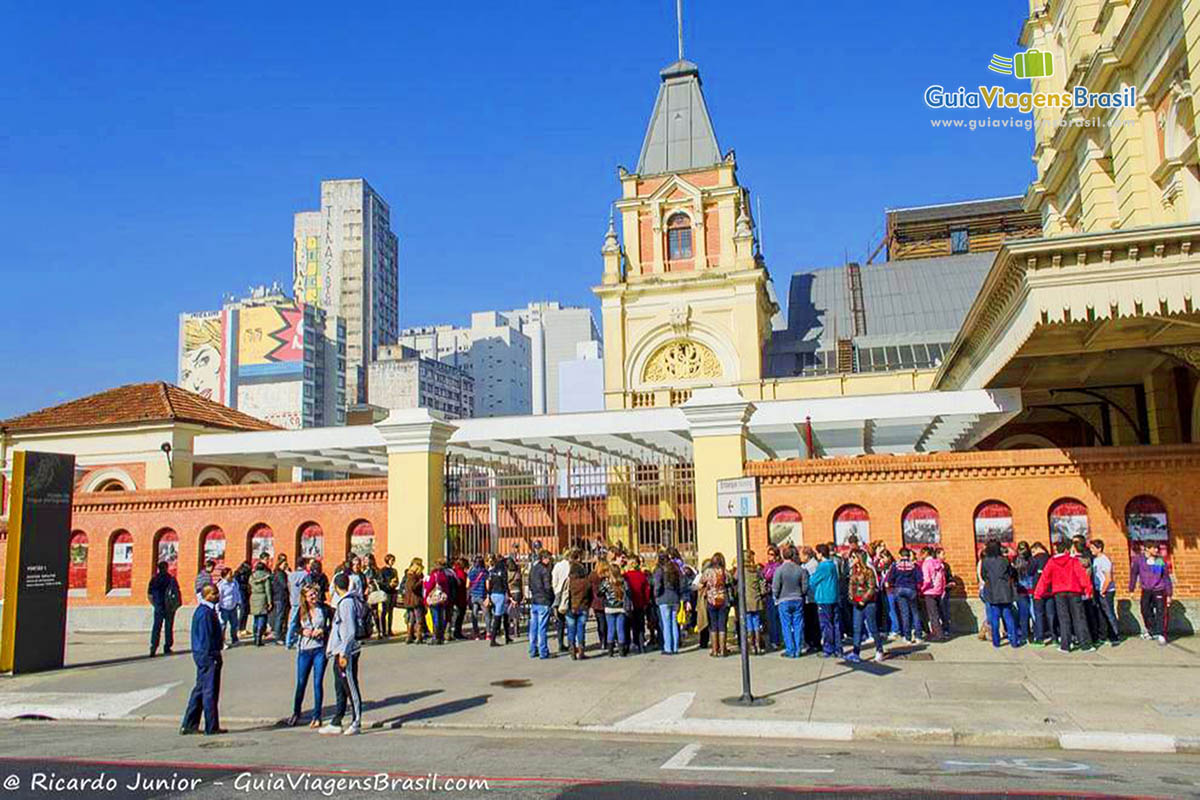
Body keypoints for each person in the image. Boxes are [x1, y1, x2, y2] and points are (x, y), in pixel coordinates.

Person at [320, 572, 364, 735]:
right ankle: (337, 720)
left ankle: (356, 721)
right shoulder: (351, 600)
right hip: (339, 650)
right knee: (339, 686)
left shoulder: (346, 603)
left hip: (346, 651)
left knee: (350, 685)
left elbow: (349, 631)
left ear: (336, 587)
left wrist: (344, 653)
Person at [1034, 539, 1094, 653]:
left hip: (1059, 593)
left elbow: (1044, 579)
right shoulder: (1073, 561)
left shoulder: (1051, 562)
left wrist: (1038, 593)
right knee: (1079, 618)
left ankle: (1065, 645)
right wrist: (1088, 589)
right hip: (1074, 591)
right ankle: (1085, 644)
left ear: (1057, 550)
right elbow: (1082, 576)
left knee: (1063, 618)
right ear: (1067, 550)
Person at [180, 584, 225, 736]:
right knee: (209, 691)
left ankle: (189, 724)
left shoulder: (206, 611)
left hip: (202, 654)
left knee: (199, 690)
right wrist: (212, 656)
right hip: (207, 655)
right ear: (206, 595)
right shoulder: (205, 613)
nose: (217, 596)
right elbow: (206, 637)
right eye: (214, 593)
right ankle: (211, 726)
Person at [287, 584, 328, 728]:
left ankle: (317, 716)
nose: (314, 597)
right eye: (311, 595)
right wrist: (302, 631)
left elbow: (332, 624)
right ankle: (296, 712)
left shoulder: (323, 608)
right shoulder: (300, 610)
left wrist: (323, 630)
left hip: (319, 650)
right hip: (304, 650)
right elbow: (294, 626)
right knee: (301, 682)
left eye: (315, 594)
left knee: (317, 683)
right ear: (305, 597)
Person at [978, 540, 1021, 649]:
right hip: (1005, 592)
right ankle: (1014, 641)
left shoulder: (985, 561)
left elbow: (983, 576)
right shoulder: (1004, 560)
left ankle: (996, 642)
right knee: (1008, 616)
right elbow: (1011, 573)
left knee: (994, 618)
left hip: (992, 591)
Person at [1129, 543, 1173, 645]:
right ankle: (1151, 630)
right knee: (1145, 610)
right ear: (1147, 549)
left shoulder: (1159, 561)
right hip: (1146, 590)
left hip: (1159, 589)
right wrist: (1131, 589)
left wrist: (1169, 594)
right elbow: (1134, 574)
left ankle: (1161, 633)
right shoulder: (1139, 560)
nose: (1156, 550)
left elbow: (1165, 577)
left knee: (1160, 611)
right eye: (1154, 548)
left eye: (1157, 548)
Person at [847, 550, 884, 663]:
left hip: (868, 603)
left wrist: (864, 600)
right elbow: (851, 586)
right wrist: (851, 597)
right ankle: (856, 652)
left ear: (859, 558)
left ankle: (879, 649)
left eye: (854, 557)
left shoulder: (868, 571)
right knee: (857, 628)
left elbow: (871, 587)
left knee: (872, 627)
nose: (852, 559)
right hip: (856, 603)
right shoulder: (853, 571)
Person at [772, 545, 809, 658]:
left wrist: (776, 597)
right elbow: (805, 587)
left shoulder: (779, 570)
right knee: (798, 624)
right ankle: (798, 649)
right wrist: (801, 594)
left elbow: (775, 587)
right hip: (797, 598)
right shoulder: (800, 570)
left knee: (786, 625)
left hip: (784, 599)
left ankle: (790, 649)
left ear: (783, 556)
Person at [809, 544, 841, 657]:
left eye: (817, 553)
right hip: (834, 597)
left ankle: (828, 649)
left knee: (826, 624)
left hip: (824, 598)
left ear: (821, 553)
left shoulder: (822, 566)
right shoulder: (832, 564)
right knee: (835, 623)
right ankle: (838, 649)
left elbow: (812, 581)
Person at [885, 548, 921, 643]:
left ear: (900, 555)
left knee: (905, 614)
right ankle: (918, 636)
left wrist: (891, 583)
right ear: (909, 555)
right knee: (915, 613)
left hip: (899, 589)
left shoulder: (896, 565)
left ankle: (907, 637)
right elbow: (920, 578)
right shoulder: (914, 566)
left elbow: (890, 578)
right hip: (911, 589)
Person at [698, 553, 731, 657]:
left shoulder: (707, 572)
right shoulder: (725, 572)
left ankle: (714, 650)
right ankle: (722, 650)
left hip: (711, 600)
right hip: (723, 600)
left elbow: (700, 583)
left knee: (713, 626)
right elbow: (730, 583)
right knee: (722, 626)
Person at [147, 561, 181, 657]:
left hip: (158, 606)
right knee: (168, 627)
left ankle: (153, 646)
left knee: (157, 627)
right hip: (169, 606)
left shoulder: (154, 579)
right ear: (166, 568)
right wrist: (175, 604)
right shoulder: (171, 579)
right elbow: (177, 592)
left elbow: (149, 595)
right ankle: (167, 646)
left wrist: (154, 604)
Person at [652, 553, 682, 654]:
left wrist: (656, 595)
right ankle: (675, 647)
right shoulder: (675, 570)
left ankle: (668, 648)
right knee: (674, 623)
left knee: (666, 624)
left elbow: (657, 585)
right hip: (675, 598)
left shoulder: (660, 571)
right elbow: (680, 585)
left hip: (663, 599)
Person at [527, 549, 554, 659]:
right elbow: (547, 587)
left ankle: (533, 649)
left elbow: (529, 583)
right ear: (544, 558)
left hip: (534, 600)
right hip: (543, 600)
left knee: (533, 626)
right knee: (542, 627)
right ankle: (543, 651)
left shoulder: (533, 569)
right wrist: (551, 597)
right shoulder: (544, 570)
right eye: (549, 559)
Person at [739, 550, 766, 655]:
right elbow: (762, 584)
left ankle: (752, 645)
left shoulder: (741, 571)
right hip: (756, 598)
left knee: (749, 622)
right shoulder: (757, 570)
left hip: (746, 599)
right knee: (756, 622)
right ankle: (758, 645)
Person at [564, 560, 592, 660]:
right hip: (583, 607)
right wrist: (588, 605)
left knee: (571, 630)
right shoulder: (586, 582)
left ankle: (572, 649)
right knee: (581, 629)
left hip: (570, 608)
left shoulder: (569, 582)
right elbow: (590, 595)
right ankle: (581, 650)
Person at [1027, 542, 1055, 646]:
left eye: (1033, 551)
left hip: (1038, 590)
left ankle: (1040, 638)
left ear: (1037, 549)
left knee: (1039, 614)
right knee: (1051, 614)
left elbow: (1029, 572)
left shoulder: (1035, 559)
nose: (1032, 554)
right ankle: (1054, 636)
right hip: (1051, 589)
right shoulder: (1051, 558)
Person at [600, 561, 629, 657]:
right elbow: (628, 592)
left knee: (611, 629)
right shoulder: (623, 582)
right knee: (620, 629)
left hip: (609, 608)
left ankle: (610, 651)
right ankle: (621, 651)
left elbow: (599, 592)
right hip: (621, 608)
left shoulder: (606, 582)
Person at [623, 555, 651, 654]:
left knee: (628, 625)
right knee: (640, 625)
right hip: (640, 603)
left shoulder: (625, 576)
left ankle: (627, 646)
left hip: (629, 604)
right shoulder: (641, 575)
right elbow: (647, 590)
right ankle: (641, 645)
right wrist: (646, 601)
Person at [919, 547, 947, 641]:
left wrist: (921, 589)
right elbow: (943, 578)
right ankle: (941, 631)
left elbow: (927, 580)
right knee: (938, 612)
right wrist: (942, 589)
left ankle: (938, 635)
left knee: (932, 614)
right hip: (938, 590)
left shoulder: (926, 564)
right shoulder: (938, 563)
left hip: (929, 591)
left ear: (925, 553)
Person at [423, 557, 451, 645]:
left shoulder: (434, 575)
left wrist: (426, 598)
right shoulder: (445, 575)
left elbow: (429, 587)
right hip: (442, 598)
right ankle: (440, 636)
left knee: (435, 617)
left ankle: (436, 636)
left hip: (434, 598)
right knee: (441, 617)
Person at [761, 545, 783, 652]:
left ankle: (776, 640)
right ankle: (773, 639)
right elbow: (763, 574)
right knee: (770, 618)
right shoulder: (767, 566)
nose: (769, 557)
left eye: (772, 554)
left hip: (775, 594)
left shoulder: (777, 566)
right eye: (768, 554)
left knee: (775, 618)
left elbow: (768, 576)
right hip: (768, 594)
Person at [485, 554, 510, 646]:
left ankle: (507, 637)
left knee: (504, 615)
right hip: (500, 594)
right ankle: (493, 639)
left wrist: (488, 595)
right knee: (498, 617)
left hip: (493, 594)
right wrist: (509, 595)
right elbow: (505, 584)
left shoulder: (491, 572)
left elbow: (488, 585)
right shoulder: (502, 572)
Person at [285, 557, 310, 649]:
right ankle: (301, 640)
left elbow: (289, 586)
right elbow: (309, 586)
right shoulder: (305, 575)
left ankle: (288, 641)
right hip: (302, 600)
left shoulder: (291, 575)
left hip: (293, 599)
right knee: (304, 620)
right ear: (304, 564)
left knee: (292, 621)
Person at [551, 550, 573, 652]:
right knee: (570, 620)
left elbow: (554, 581)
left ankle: (560, 643)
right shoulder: (571, 566)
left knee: (560, 621)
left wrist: (556, 591)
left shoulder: (557, 566)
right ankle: (571, 643)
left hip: (558, 593)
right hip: (569, 593)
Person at [248, 559, 273, 647]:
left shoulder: (252, 576)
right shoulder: (266, 576)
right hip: (262, 597)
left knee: (255, 618)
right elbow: (268, 590)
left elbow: (249, 586)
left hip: (254, 596)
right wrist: (270, 602)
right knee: (262, 617)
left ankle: (255, 637)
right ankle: (259, 636)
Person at [215, 567, 242, 646]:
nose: (231, 575)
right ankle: (221, 642)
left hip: (233, 606)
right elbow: (219, 597)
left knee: (234, 624)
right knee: (223, 625)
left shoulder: (234, 582)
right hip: (224, 607)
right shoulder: (221, 585)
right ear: (225, 575)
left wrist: (239, 602)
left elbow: (237, 593)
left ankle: (235, 639)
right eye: (230, 574)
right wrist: (217, 608)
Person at [403, 558, 427, 644]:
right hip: (416, 600)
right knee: (419, 619)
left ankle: (409, 636)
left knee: (411, 619)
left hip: (409, 600)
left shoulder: (408, 575)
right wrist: (421, 582)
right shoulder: (415, 576)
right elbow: (413, 587)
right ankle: (418, 636)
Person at [589, 559, 610, 648]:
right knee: (607, 623)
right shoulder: (607, 576)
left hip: (596, 601)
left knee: (600, 622)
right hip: (607, 601)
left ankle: (602, 641)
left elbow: (589, 589)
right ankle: (608, 640)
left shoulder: (592, 576)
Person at [270, 555, 290, 646]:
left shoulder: (277, 573)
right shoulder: (280, 573)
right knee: (280, 616)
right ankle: (278, 636)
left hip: (280, 597)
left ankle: (280, 633)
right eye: (284, 564)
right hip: (280, 597)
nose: (286, 566)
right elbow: (284, 585)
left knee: (281, 616)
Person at [467, 556, 488, 640]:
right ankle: (488, 632)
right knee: (486, 614)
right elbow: (487, 586)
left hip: (474, 595)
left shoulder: (471, 572)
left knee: (474, 614)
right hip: (482, 595)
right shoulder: (485, 572)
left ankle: (476, 633)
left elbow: (467, 585)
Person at [379, 554, 400, 638]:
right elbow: (380, 582)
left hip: (393, 592)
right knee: (385, 611)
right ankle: (383, 630)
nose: (393, 562)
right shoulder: (383, 571)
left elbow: (397, 579)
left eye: (393, 560)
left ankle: (389, 629)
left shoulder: (394, 570)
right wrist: (389, 584)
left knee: (391, 611)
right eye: (392, 560)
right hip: (386, 592)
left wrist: (395, 583)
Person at [234, 560, 252, 633]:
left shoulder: (247, 573)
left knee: (246, 610)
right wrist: (246, 586)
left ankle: (243, 628)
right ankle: (239, 628)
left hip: (246, 592)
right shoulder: (238, 573)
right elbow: (237, 584)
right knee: (243, 609)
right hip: (241, 592)